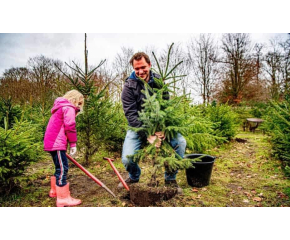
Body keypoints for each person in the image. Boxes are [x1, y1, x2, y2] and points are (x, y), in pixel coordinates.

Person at [120, 52, 186, 193]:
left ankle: (170, 178)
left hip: (160, 125)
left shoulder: (158, 81)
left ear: (149, 65)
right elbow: (131, 115)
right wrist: (147, 135)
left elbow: (166, 107)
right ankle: (134, 176)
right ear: (133, 68)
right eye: (136, 69)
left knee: (180, 143)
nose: (140, 71)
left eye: (143, 67)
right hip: (137, 127)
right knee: (127, 158)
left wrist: (162, 129)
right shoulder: (128, 87)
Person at [44, 89, 84, 207]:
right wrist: (73, 144)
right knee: (63, 169)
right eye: (79, 103)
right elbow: (70, 126)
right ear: (74, 99)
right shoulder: (69, 108)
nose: (79, 106)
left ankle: (55, 191)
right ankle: (63, 198)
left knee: (58, 167)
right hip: (57, 143)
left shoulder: (60, 107)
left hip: (51, 142)